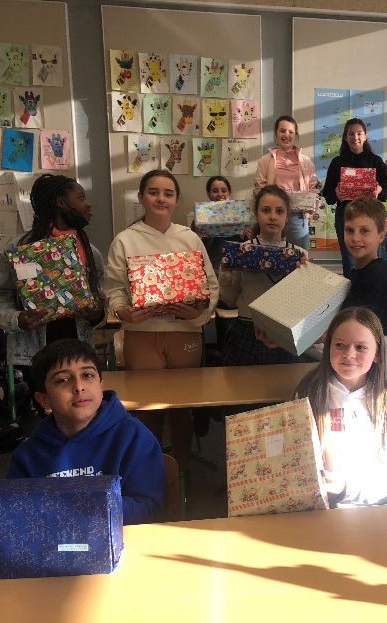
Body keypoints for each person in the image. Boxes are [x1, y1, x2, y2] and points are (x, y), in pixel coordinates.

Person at [103, 169, 219, 476]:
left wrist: (199, 315)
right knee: (148, 410)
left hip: (184, 333)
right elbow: (113, 287)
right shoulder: (125, 240)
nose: (161, 198)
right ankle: (150, 474)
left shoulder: (189, 238)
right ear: (141, 198)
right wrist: (122, 311)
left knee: (183, 409)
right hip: (141, 332)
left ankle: (182, 472)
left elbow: (210, 285)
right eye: (153, 192)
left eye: (168, 193)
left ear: (177, 200)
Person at [7, 339, 166, 525]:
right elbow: (16, 515)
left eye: (88, 375)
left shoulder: (134, 437)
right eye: (63, 380)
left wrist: (79, 508)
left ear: (101, 386)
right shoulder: (28, 455)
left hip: (122, 539)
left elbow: (149, 508)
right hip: (55, 542)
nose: (78, 386)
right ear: (43, 399)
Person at [0, 174, 105, 394]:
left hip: (78, 350)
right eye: (81, 197)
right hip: (32, 352)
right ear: (60, 202)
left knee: (78, 408)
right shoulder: (18, 248)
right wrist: (17, 319)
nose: (88, 204)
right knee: (42, 407)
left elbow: (100, 299)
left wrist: (96, 314)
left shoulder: (91, 252)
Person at [293, 307, 387, 507]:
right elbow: (292, 459)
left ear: (377, 354)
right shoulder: (308, 393)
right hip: (317, 509)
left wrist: (347, 489)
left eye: (361, 347)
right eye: (340, 345)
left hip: (371, 510)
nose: (349, 354)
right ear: (328, 348)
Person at [218, 184, 306, 366]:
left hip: (284, 332)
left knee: (284, 382)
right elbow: (230, 301)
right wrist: (225, 273)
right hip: (247, 329)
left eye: (279, 211)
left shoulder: (299, 255)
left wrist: (307, 278)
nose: (273, 216)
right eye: (266, 210)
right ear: (256, 214)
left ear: (287, 216)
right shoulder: (241, 252)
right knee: (245, 382)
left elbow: (303, 306)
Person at [340, 196, 387, 390]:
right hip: (362, 363)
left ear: (381, 236)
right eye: (349, 230)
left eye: (364, 231)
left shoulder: (376, 276)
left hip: (377, 371)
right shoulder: (359, 272)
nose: (355, 238)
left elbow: (354, 331)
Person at [322, 117, 387, 277]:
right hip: (345, 216)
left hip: (370, 217)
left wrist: (379, 190)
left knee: (371, 259)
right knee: (349, 261)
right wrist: (336, 192)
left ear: (365, 136)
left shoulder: (376, 161)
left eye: (359, 133)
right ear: (345, 137)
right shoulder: (337, 162)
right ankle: (352, 291)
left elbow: (385, 194)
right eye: (351, 134)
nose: (355, 137)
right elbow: (328, 195)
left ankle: (372, 288)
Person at [255, 115, 319, 251]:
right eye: (282, 131)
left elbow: (313, 188)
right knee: (270, 257)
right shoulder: (264, 161)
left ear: (296, 135)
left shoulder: (306, 162)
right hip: (272, 216)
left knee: (298, 258)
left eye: (291, 132)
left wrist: (312, 203)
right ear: (276, 133)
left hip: (297, 218)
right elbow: (259, 190)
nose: (286, 135)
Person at [192, 175, 237, 276]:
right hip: (211, 268)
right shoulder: (200, 216)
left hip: (234, 266)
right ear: (209, 194)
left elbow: (244, 244)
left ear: (229, 192)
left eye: (224, 190)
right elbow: (193, 248)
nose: (220, 194)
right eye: (215, 191)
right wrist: (196, 239)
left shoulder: (239, 215)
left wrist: (249, 236)